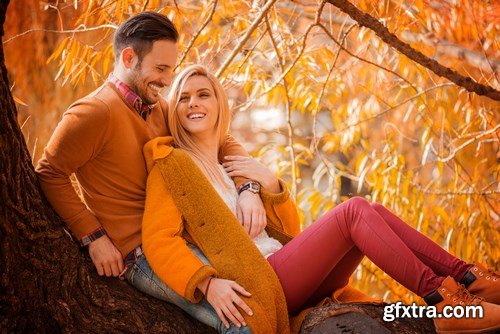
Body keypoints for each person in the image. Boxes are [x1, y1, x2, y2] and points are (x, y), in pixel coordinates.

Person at [141, 64, 500, 334]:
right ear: (175, 109)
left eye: (203, 94)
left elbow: (288, 232)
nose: (193, 104)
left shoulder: (232, 163)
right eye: (184, 98)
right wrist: (205, 282)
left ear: (219, 103)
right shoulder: (172, 168)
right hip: (263, 285)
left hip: (285, 270)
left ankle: (467, 278)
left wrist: (268, 184)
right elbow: (159, 240)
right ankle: (444, 301)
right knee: (354, 211)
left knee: (371, 211)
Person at [35, 13, 266, 287]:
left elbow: (219, 140)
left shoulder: (158, 108)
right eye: (160, 69)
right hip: (141, 254)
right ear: (129, 59)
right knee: (242, 315)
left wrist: (248, 189)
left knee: (262, 283)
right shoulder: (93, 113)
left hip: (183, 239)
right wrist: (93, 236)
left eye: (170, 69)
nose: (168, 80)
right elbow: (50, 173)